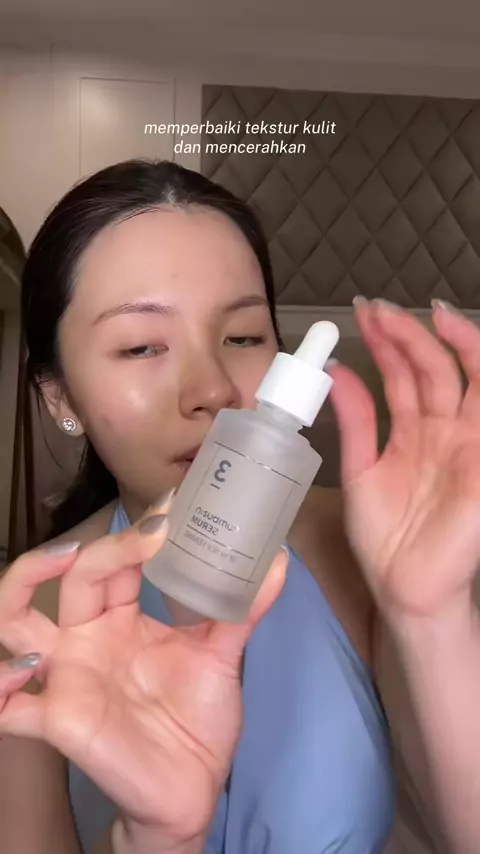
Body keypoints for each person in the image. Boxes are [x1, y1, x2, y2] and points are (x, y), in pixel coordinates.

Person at [0, 159, 478, 854]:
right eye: (141, 346)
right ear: (59, 396)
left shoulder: (363, 549)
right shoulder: (26, 617)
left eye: (244, 336)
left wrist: (432, 616)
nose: (212, 389)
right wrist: (154, 837)